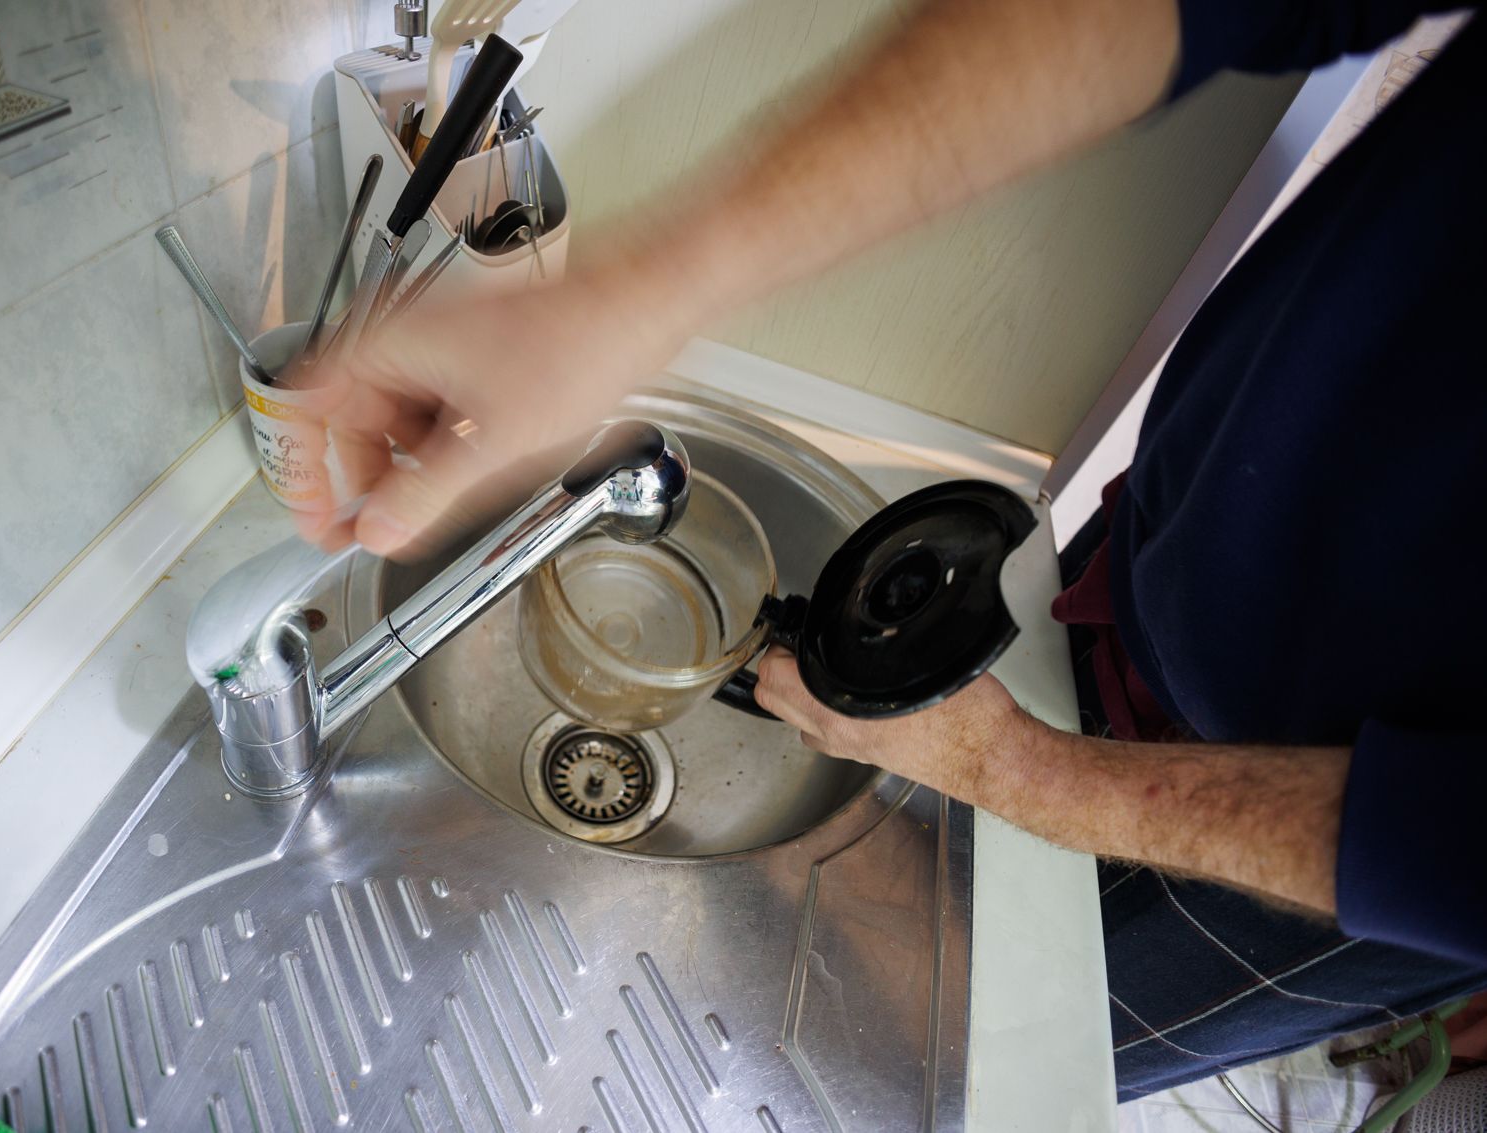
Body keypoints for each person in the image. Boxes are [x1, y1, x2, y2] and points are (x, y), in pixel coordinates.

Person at [303, 0, 1487, 1099]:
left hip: (1341, 870)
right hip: (1164, 556)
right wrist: (616, 306)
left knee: (979, 1041)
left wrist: (1020, 774)